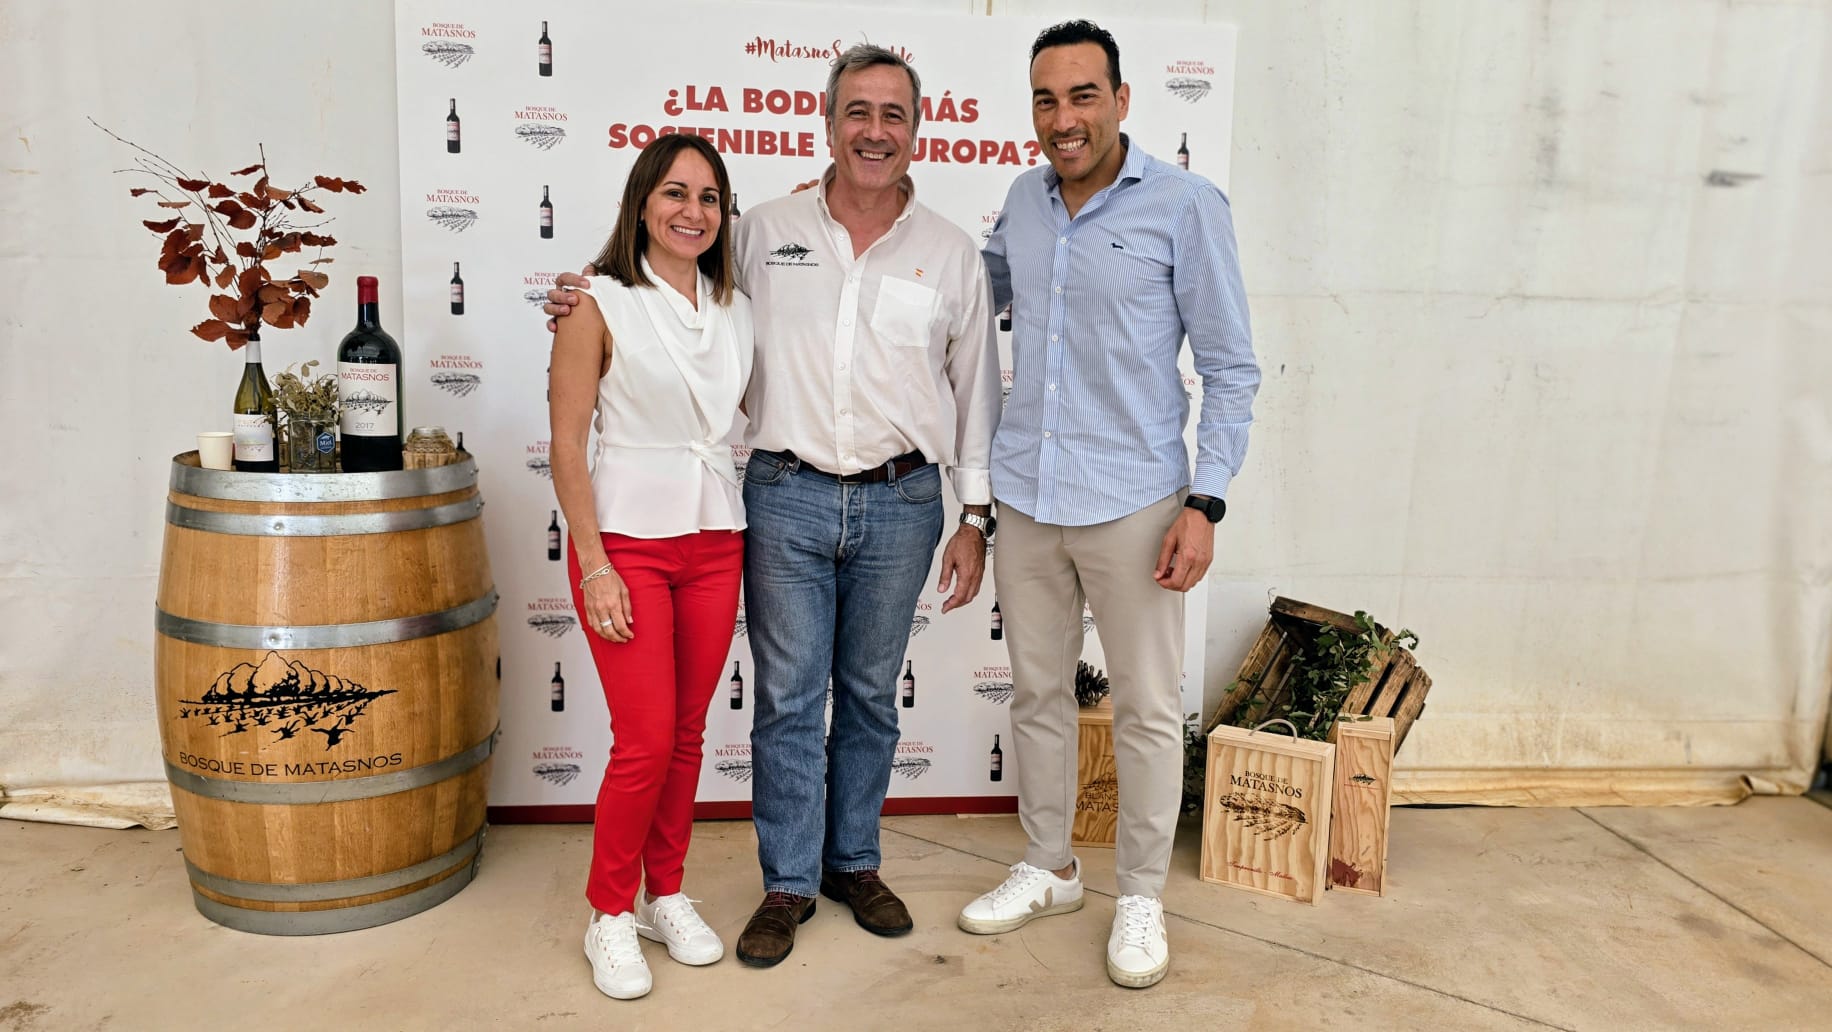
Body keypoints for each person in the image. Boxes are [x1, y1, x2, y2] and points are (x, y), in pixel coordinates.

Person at [547, 45, 1002, 969]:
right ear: (827, 123)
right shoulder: (762, 231)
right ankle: (787, 882)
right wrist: (581, 297)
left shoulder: (953, 253)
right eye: (857, 111)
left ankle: (853, 864)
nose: (874, 130)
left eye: (894, 114)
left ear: (918, 129)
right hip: (784, 495)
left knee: (870, 697)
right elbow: (664, 287)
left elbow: (978, 391)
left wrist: (975, 515)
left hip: (903, 500)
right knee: (787, 701)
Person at [955, 20, 1260, 990]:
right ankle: (1049, 867)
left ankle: (1139, 895)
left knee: (1145, 709)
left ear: (1122, 101)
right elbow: (974, 295)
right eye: (1045, 100)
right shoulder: (1022, 199)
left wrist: (1205, 502)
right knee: (1037, 695)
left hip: (1135, 501)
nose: (1063, 119)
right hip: (1028, 497)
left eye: (1083, 96)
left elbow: (1230, 367)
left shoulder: (1185, 206)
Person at [550, 133, 754, 1001]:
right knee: (643, 740)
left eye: (709, 198)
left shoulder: (735, 306)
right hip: (625, 541)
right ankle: (608, 911)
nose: (692, 212)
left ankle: (663, 893)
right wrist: (594, 565)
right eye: (675, 193)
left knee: (686, 734)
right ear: (641, 203)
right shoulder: (594, 302)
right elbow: (567, 446)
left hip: (716, 538)